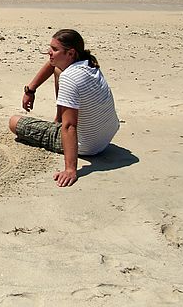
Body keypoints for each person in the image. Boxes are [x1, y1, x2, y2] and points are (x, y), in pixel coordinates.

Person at [8, 29, 119, 188]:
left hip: (88, 146)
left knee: (14, 122)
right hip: (106, 136)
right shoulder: (90, 64)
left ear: (71, 53)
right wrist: (30, 90)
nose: (49, 53)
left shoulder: (70, 78)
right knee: (57, 69)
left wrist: (70, 169)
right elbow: (53, 64)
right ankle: (58, 118)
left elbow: (70, 126)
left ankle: (57, 124)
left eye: (54, 49)